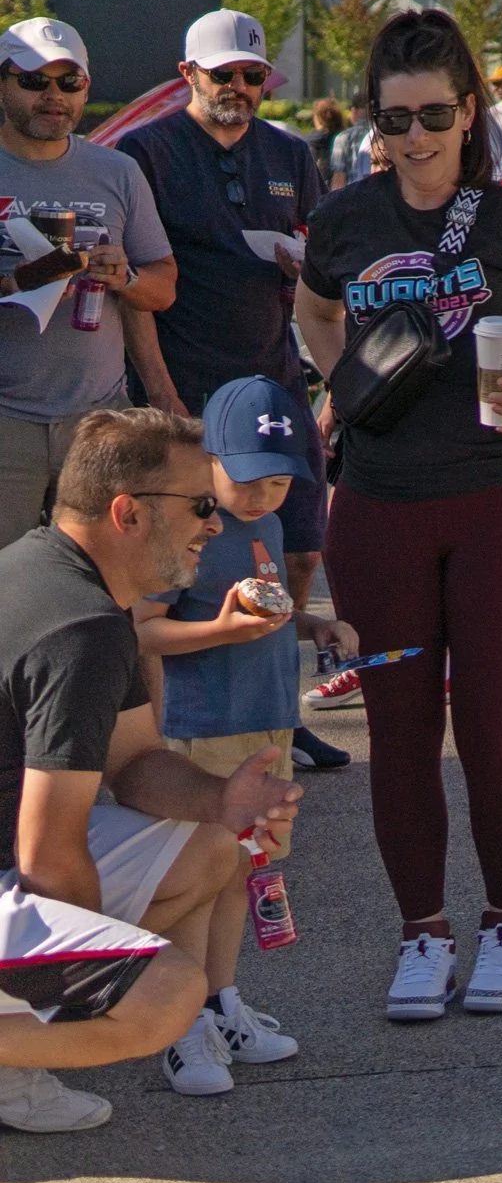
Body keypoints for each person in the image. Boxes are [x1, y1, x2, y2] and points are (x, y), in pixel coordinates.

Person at [295, 8, 502, 1022]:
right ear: (374, 123)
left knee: (490, 729)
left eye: (435, 114)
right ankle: (421, 931)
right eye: (396, 119)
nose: (416, 138)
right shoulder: (345, 217)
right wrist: (338, 373)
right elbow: (312, 306)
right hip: (378, 510)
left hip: (499, 506)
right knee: (397, 729)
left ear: (470, 110)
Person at [0, 408, 300, 1126]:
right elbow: (48, 851)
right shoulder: (82, 628)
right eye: (200, 503)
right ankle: (19, 1057)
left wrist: (223, 797)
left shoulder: (51, 569)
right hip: (16, 863)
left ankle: (13, 1063)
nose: (216, 522)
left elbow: (135, 762)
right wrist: (108, 968)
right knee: (164, 996)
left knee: (209, 847)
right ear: (127, 512)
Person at [114, 11, 343, 776]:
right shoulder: (144, 154)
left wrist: (302, 268)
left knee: (297, 544)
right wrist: (162, 402)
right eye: (225, 76)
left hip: (274, 384)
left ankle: (278, 714)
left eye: (253, 77)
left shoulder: (288, 153)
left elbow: (321, 269)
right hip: (183, 387)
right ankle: (170, 729)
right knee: (177, 566)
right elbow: (136, 291)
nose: (241, 90)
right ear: (188, 76)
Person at [131, 377, 348, 1086]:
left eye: (281, 481)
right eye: (248, 478)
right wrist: (220, 628)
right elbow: (142, 631)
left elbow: (272, 609)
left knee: (241, 875)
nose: (263, 496)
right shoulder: (190, 530)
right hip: (200, 734)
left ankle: (222, 998)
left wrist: (314, 625)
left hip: (265, 727)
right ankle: (181, 1022)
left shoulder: (269, 526)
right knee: (193, 880)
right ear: (209, 459)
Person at [0, 18, 179, 544]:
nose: (53, 96)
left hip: (97, 422)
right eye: (34, 81)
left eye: (69, 82)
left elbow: (162, 288)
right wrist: (15, 283)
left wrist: (125, 276)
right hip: (6, 423)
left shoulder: (117, 172)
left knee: (100, 582)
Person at [328, 94, 377, 193]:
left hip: (354, 199)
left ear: (354, 111)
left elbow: (338, 181)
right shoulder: (384, 135)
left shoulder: (344, 137)